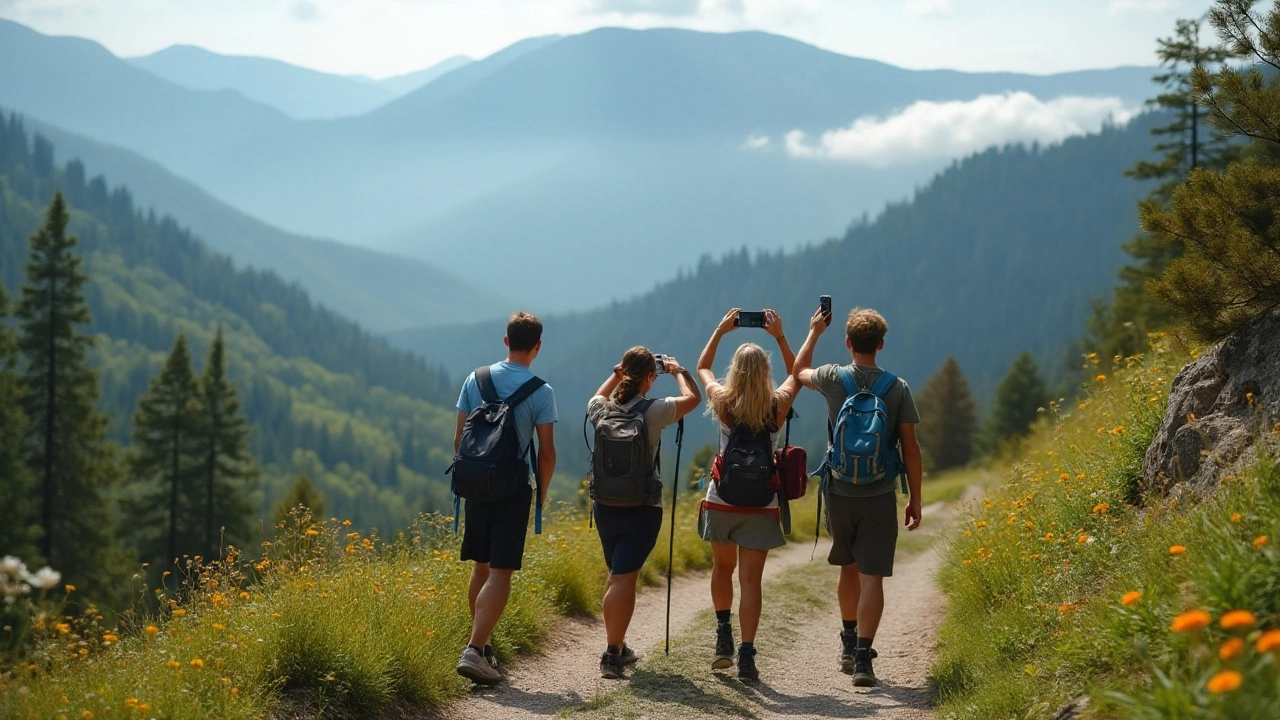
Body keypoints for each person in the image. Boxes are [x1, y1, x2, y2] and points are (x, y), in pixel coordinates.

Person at [793, 306, 923, 688]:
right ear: (880, 345)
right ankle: (864, 659)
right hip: (880, 493)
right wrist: (915, 498)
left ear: (848, 342)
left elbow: (797, 373)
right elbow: (911, 450)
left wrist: (814, 332)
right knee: (872, 579)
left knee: (848, 567)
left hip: (839, 492)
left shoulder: (834, 378)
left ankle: (848, 643)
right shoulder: (897, 388)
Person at [694, 308, 801, 681]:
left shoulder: (723, 401)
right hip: (762, 505)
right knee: (751, 582)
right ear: (765, 372)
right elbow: (797, 375)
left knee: (722, 569)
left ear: (736, 371)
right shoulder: (777, 405)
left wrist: (721, 329)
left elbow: (702, 367)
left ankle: (723, 635)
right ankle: (747, 656)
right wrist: (782, 338)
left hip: (721, 499)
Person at [453, 312, 558, 685]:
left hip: (475, 483)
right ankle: (476, 649)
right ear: (537, 347)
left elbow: (459, 438)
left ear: (505, 340)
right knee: (501, 572)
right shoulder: (540, 392)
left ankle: (483, 645)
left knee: (480, 568)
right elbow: (546, 453)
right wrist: (541, 493)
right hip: (512, 489)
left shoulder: (475, 378)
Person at [587, 347, 701, 679]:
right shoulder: (655, 411)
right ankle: (611, 654)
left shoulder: (600, 410)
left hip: (605, 506)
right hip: (642, 509)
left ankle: (619, 646)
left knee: (617, 576)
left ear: (625, 374)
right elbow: (693, 398)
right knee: (623, 579)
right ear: (651, 378)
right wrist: (679, 371)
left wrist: (616, 373)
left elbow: (597, 395)